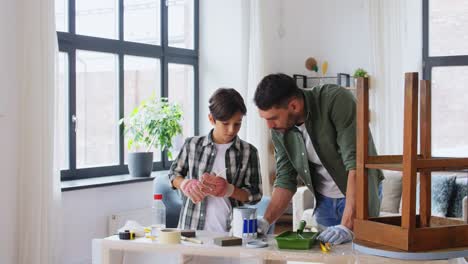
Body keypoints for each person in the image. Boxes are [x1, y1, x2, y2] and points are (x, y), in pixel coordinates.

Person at [254, 73, 383, 245]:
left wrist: (347, 225)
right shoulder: (280, 130)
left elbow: (356, 164)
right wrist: (265, 221)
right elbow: (285, 179)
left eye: (273, 118)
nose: (269, 126)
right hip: (324, 201)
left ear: (294, 105)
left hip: (358, 194)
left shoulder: (336, 100)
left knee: (361, 255)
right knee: (329, 257)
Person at [169, 88, 262, 232]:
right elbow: (173, 174)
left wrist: (229, 190)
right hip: (190, 232)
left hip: (230, 234)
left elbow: (255, 194)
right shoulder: (192, 145)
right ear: (212, 119)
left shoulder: (249, 152)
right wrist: (185, 184)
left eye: (237, 123)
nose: (232, 130)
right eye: (225, 123)